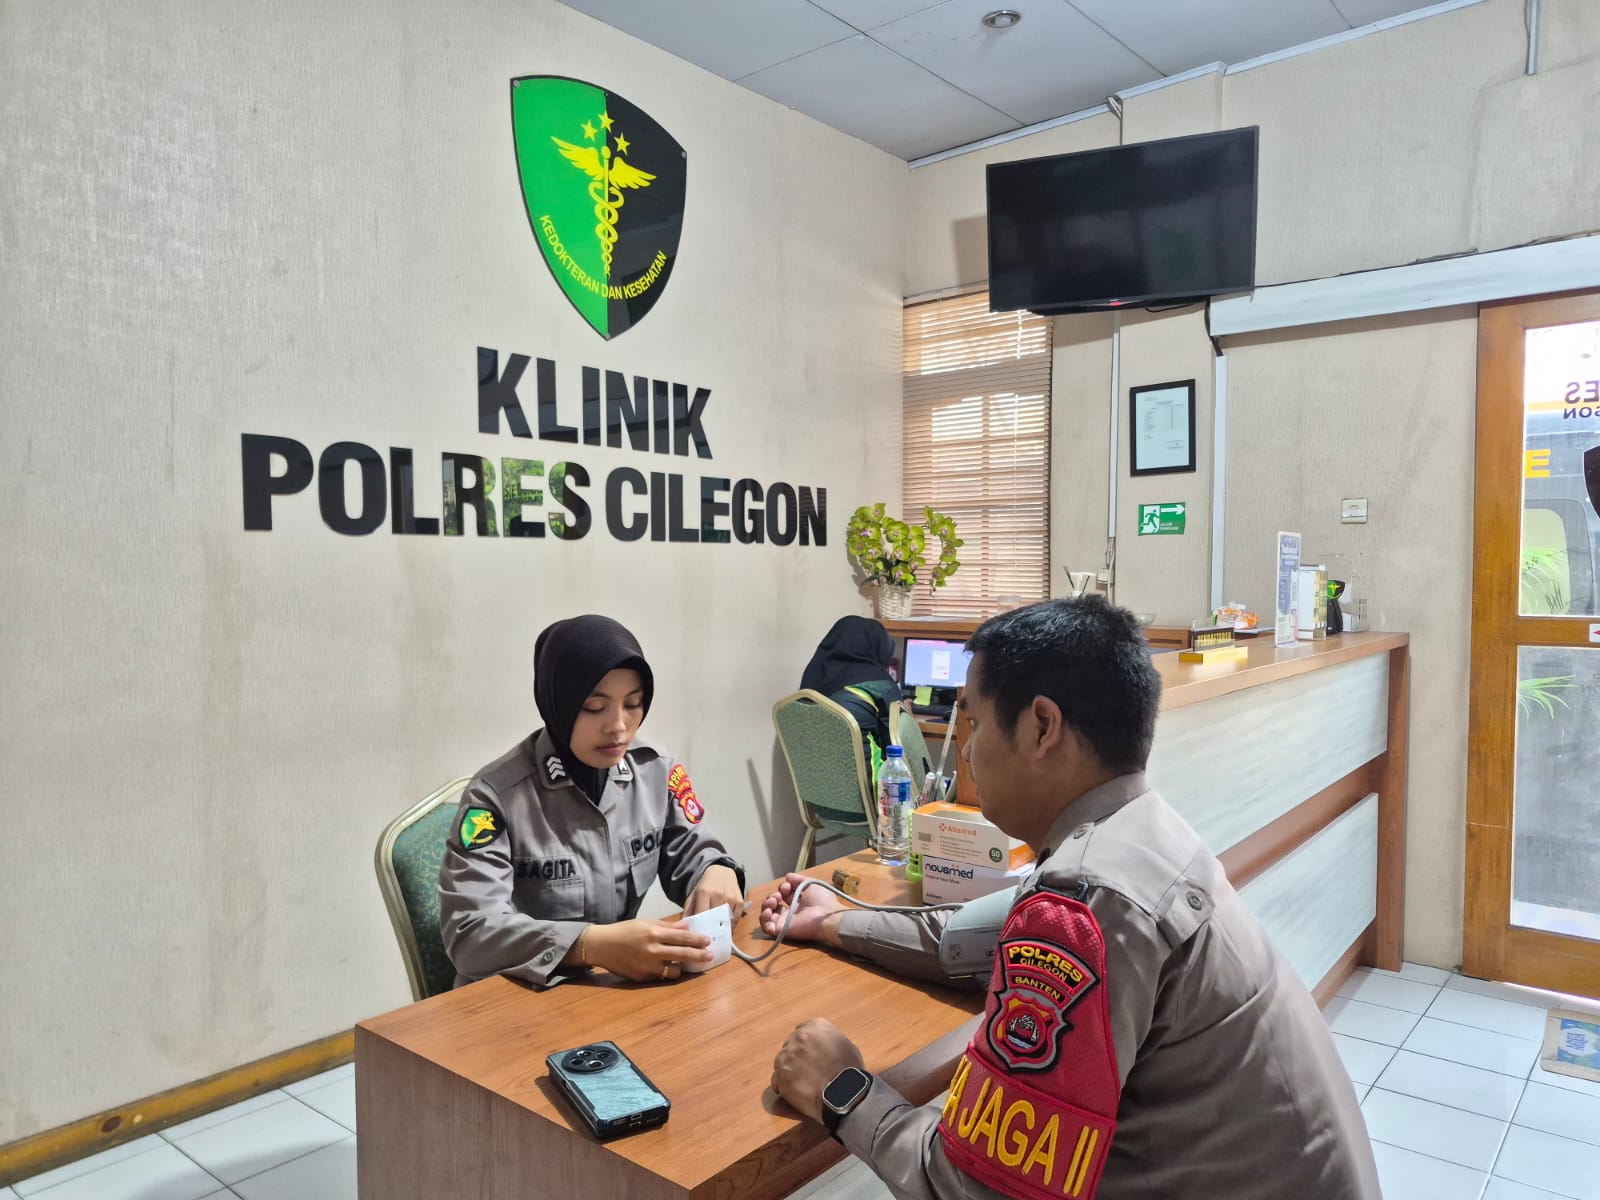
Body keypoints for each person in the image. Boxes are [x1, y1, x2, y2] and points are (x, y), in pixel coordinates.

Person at [763, 597, 1380, 1199]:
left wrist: (844, 1090)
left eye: (976, 723)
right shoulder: (1136, 833)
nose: (967, 751)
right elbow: (964, 941)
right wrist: (836, 922)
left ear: (1042, 727)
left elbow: (974, 1187)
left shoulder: (1089, 901)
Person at [438, 614, 745, 988]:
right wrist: (588, 946)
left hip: (610, 991)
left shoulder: (654, 771)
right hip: (520, 997)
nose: (618, 726)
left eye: (633, 704)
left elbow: (693, 850)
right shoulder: (497, 797)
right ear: (558, 703)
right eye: (594, 707)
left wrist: (716, 869)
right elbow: (470, 933)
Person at [800, 615, 900, 780]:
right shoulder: (881, 685)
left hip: (815, 786)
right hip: (870, 788)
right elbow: (896, 746)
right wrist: (905, 714)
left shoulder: (812, 677)